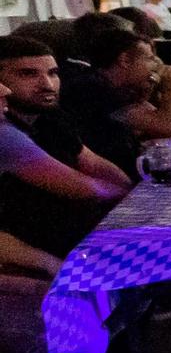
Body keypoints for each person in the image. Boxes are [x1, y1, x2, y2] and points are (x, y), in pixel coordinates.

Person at [0, 35, 132, 259]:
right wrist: (136, 198)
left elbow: (96, 166)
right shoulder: (4, 134)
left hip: (77, 234)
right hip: (34, 247)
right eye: (28, 74)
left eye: (53, 73)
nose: (47, 85)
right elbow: (85, 189)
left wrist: (133, 196)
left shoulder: (50, 117)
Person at [61, 15, 171, 178]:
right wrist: (169, 90)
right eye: (149, 59)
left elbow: (152, 117)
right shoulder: (92, 88)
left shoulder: (111, 85)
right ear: (124, 60)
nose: (155, 65)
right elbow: (169, 128)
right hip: (115, 185)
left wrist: (151, 81)